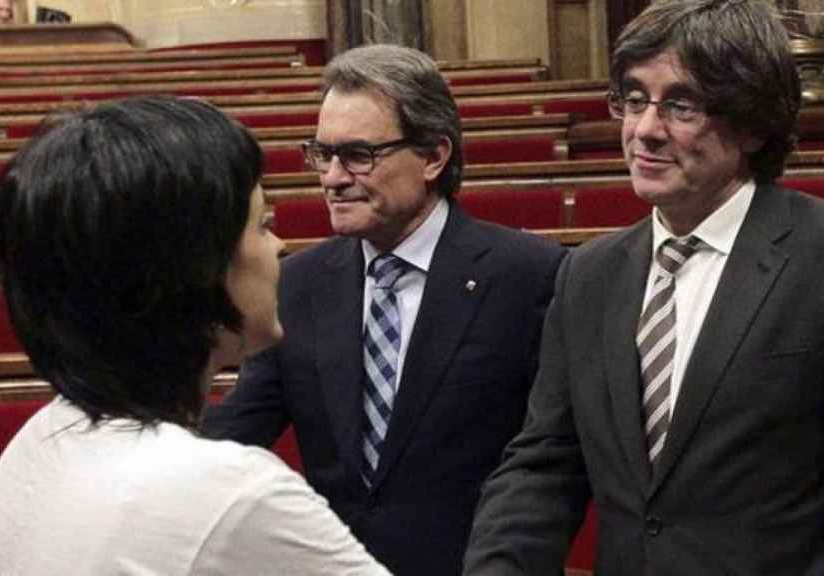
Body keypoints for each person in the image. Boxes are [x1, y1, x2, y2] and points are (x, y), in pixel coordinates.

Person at [464, 1, 824, 574]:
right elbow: (545, 464)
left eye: (680, 104)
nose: (645, 130)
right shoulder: (588, 274)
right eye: (633, 99)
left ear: (751, 123)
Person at [0, 95, 390, 575]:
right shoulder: (234, 492)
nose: (279, 248)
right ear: (195, 267)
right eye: (261, 226)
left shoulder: (46, 434)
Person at [202, 44, 565, 576]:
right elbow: (235, 431)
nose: (331, 177)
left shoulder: (530, 275)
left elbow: (549, 465)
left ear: (434, 157)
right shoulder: (298, 284)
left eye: (357, 155)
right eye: (322, 154)